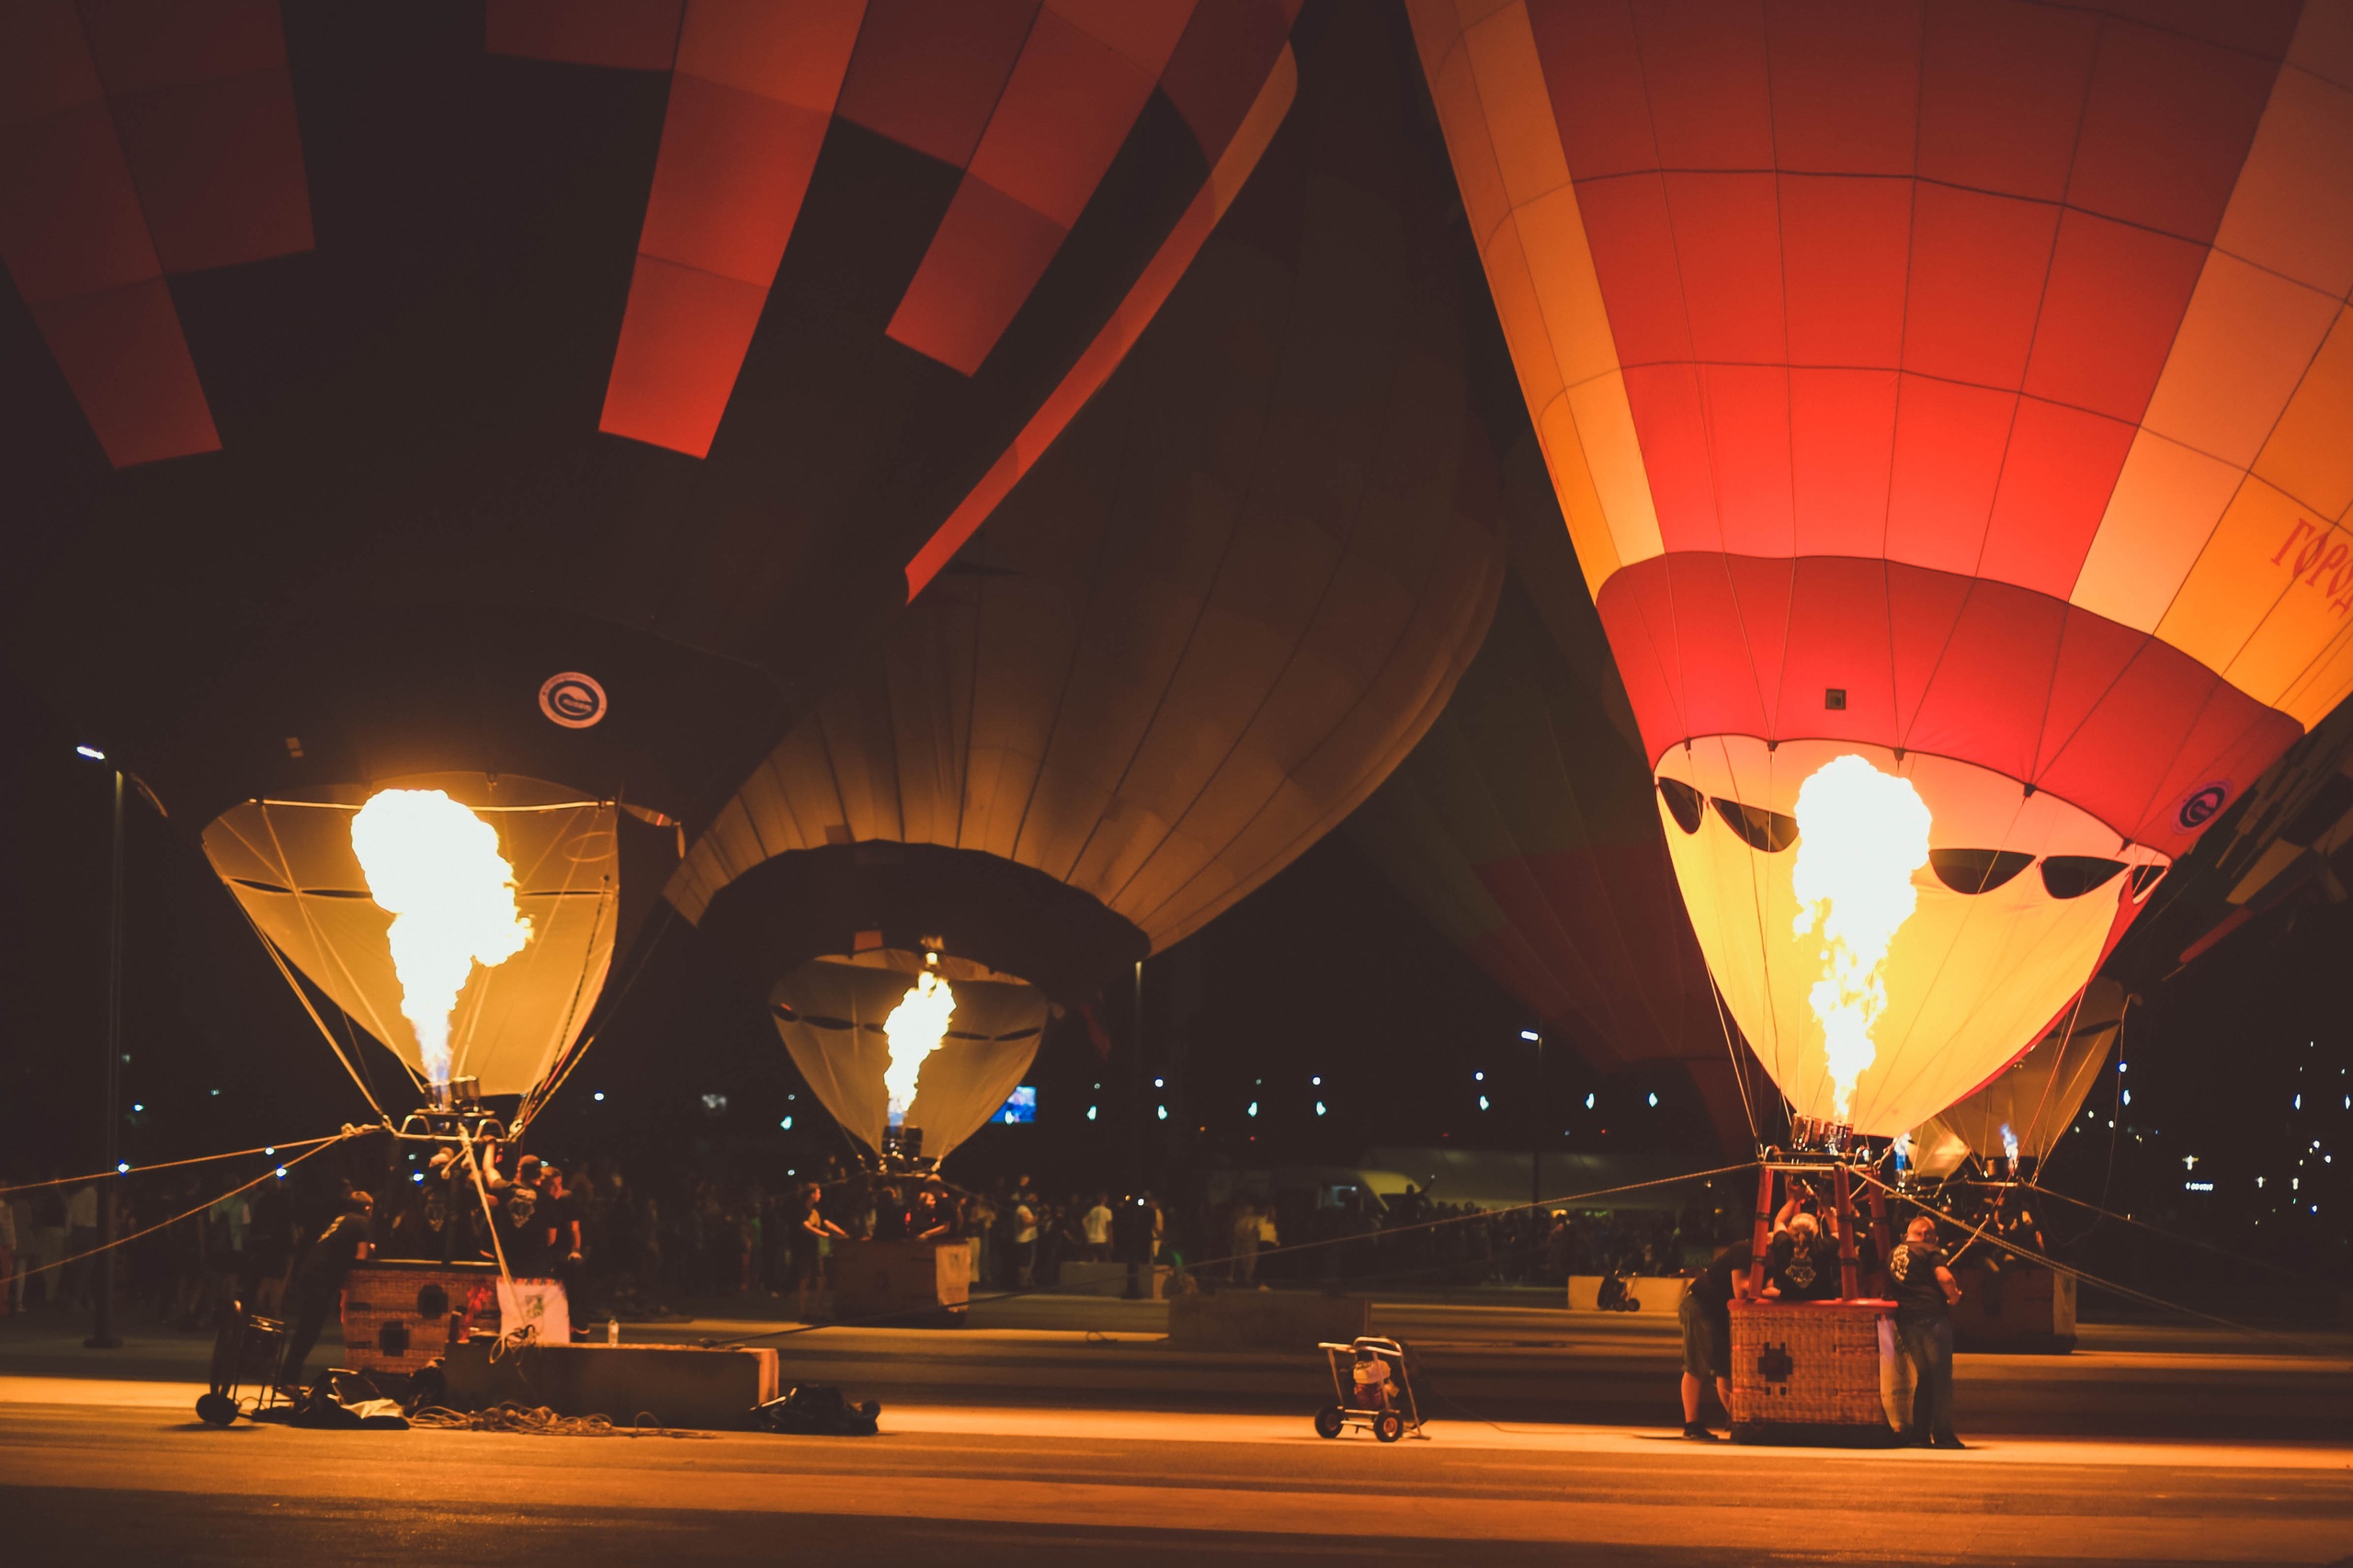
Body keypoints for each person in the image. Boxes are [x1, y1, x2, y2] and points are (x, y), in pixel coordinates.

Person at [279, 1192, 373, 1389]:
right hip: (322, 1278)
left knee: (307, 1328)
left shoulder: (342, 1219)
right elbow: (361, 1255)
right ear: (367, 1208)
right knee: (309, 1330)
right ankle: (288, 1379)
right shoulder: (360, 1221)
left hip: (309, 1272)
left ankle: (288, 1376)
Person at [1888, 1215, 1964, 1448]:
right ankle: (1943, 1434)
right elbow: (1945, 1277)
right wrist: (1953, 1296)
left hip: (1906, 1320)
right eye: (1932, 1234)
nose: (1935, 1239)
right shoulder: (1929, 1250)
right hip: (1932, 1317)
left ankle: (1920, 1435)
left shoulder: (1893, 1254)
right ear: (1923, 1233)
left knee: (1925, 1376)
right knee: (1941, 1377)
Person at [1678, 1239, 1750, 1440]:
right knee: (1696, 1362)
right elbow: (1741, 1290)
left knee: (1724, 1365)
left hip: (1719, 1310)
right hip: (1700, 1303)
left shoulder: (1760, 1258)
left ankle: (1734, 1418)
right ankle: (1691, 1424)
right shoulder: (1745, 1251)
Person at [1763, 1211, 1841, 1302]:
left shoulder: (1783, 1246)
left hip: (1789, 1308)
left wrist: (1794, 1199)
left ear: (1790, 1230)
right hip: (1822, 1308)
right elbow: (1836, 1232)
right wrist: (1826, 1207)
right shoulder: (1824, 1247)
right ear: (1815, 1231)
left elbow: (1779, 1221)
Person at [1082, 1192, 1112, 1263]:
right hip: (1102, 1240)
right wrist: (1111, 1242)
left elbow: (1084, 1221)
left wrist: (1088, 1232)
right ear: (1104, 1199)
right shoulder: (1107, 1211)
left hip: (1092, 1240)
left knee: (1093, 1261)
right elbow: (1109, 1227)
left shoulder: (1092, 1211)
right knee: (1104, 1263)